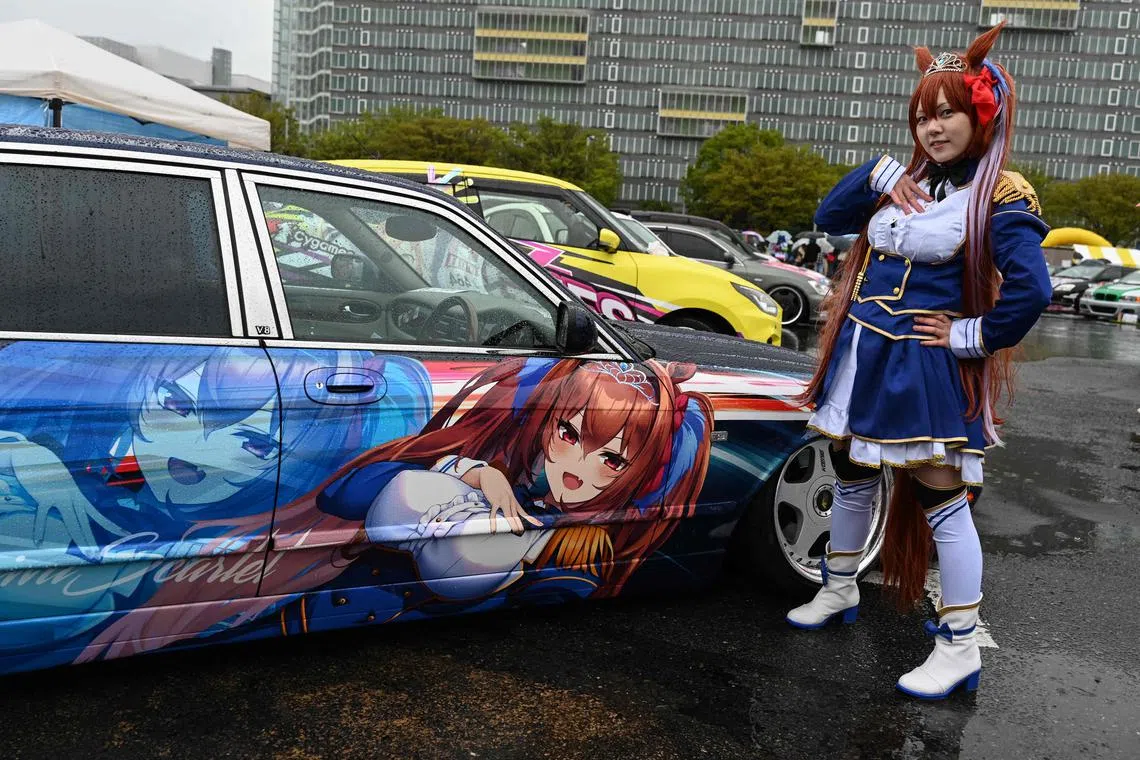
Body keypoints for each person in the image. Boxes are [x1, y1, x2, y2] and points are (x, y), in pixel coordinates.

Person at [787, 22, 1051, 700]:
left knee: (941, 498)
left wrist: (969, 338)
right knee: (847, 469)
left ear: (979, 116)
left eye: (946, 113)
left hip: (921, 366)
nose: (932, 128)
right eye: (922, 116)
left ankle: (960, 643)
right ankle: (839, 587)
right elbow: (828, 217)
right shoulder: (906, 182)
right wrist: (877, 173)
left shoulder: (1000, 194)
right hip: (860, 356)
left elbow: (1032, 289)